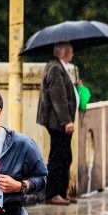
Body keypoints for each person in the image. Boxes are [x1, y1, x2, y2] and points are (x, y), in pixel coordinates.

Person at [36, 42, 77, 205]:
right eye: (71, 51)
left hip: (57, 121)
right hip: (57, 122)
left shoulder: (58, 67)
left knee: (65, 156)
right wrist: (66, 121)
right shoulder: (55, 68)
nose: (73, 54)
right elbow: (58, 98)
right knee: (59, 157)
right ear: (64, 53)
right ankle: (53, 193)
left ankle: (61, 191)